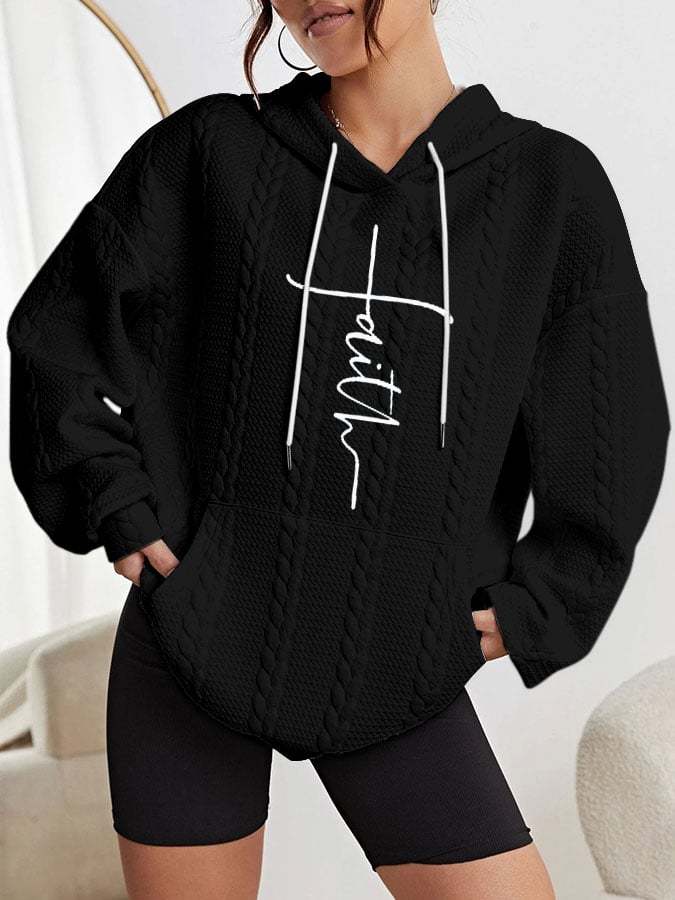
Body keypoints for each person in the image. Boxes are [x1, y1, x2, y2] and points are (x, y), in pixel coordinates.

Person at [6, 0, 670, 897]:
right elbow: (58, 335)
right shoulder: (207, 152)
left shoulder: (549, 188)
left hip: (398, 663)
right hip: (195, 636)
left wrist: (540, 604)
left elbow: (610, 426)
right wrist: (112, 503)